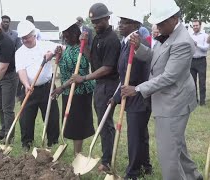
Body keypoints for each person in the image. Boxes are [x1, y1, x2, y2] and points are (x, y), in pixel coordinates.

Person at [121, 1, 203, 179]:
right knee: (177, 146)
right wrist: (139, 48)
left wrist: (138, 89)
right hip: (167, 100)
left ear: (174, 18)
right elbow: (155, 58)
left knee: (168, 156)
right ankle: (193, 176)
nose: (158, 27)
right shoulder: (169, 35)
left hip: (174, 103)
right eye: (156, 23)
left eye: (161, 23)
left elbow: (169, 77)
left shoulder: (182, 42)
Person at [70, 3, 121, 172]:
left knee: (105, 123)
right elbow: (94, 60)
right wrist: (83, 46)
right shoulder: (98, 36)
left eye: (98, 21)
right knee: (101, 121)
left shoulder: (112, 39)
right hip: (100, 85)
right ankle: (107, 157)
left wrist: (83, 78)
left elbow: (107, 68)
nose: (95, 24)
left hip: (109, 84)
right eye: (93, 21)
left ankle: (107, 161)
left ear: (107, 18)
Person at [112, 8, 152, 179]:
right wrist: (115, 98)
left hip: (138, 96)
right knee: (140, 134)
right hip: (131, 93)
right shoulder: (126, 42)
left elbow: (138, 72)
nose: (121, 25)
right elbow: (123, 74)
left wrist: (134, 90)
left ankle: (133, 172)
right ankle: (145, 166)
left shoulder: (139, 43)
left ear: (135, 25)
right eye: (120, 21)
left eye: (125, 22)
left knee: (135, 136)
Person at [51, 22, 95, 155]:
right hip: (67, 91)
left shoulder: (81, 49)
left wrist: (61, 87)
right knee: (69, 122)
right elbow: (64, 68)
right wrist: (57, 57)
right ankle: (74, 151)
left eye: (68, 37)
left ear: (76, 35)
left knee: (77, 125)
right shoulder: (68, 48)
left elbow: (78, 74)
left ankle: (78, 153)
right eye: (64, 37)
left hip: (80, 93)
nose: (66, 39)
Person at [15, 20, 59, 151]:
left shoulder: (45, 45)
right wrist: (27, 84)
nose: (25, 40)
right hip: (29, 89)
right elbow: (21, 70)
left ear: (34, 35)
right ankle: (26, 143)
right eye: (23, 38)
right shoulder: (19, 52)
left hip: (47, 87)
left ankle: (53, 142)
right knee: (26, 118)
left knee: (51, 116)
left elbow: (61, 48)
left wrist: (52, 53)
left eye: (27, 37)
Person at [190, 19, 209, 106]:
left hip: (201, 60)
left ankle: (202, 101)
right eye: (193, 26)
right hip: (192, 61)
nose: (195, 27)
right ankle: (194, 100)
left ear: (200, 26)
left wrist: (196, 44)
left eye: (196, 25)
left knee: (202, 82)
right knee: (192, 82)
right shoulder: (190, 36)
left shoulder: (205, 36)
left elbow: (206, 48)